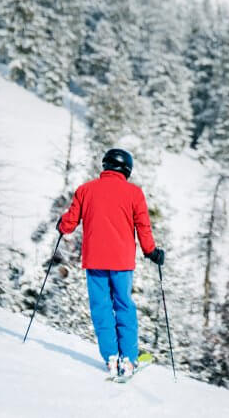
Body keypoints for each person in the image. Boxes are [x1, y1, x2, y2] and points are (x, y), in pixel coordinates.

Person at [57, 148, 165, 378]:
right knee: (124, 305)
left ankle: (111, 357)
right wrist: (152, 252)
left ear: (105, 165)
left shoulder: (86, 189)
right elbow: (143, 227)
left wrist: (62, 225)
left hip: (95, 259)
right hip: (122, 262)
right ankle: (128, 358)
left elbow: (70, 221)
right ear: (127, 169)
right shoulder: (134, 193)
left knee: (101, 307)